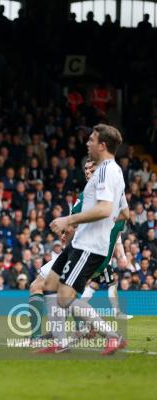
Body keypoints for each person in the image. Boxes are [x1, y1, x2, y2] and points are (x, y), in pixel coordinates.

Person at [40, 124, 127, 355]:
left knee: (65, 297)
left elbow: (104, 209)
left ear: (102, 145)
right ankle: (60, 342)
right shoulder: (109, 171)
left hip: (89, 245)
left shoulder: (107, 171)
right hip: (80, 243)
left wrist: (69, 220)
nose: (87, 143)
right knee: (49, 284)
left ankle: (113, 335)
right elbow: (123, 212)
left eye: (91, 140)